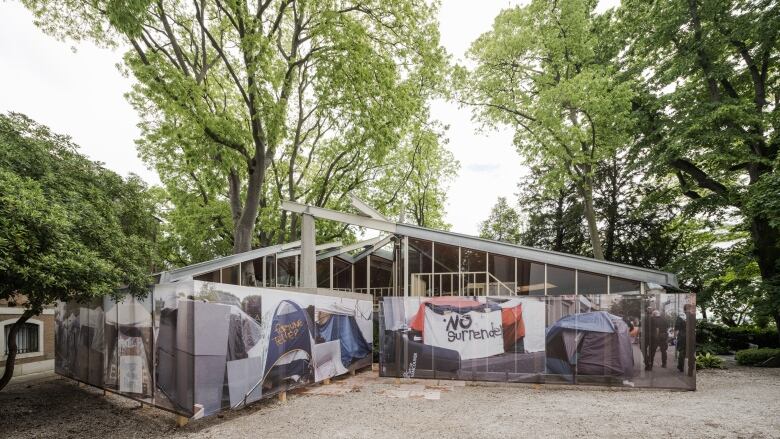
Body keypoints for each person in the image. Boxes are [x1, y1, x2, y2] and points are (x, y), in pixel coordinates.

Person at [675, 304, 694, 372]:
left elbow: (676, 327)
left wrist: (676, 336)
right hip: (691, 336)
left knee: (682, 351)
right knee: (691, 352)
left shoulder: (680, 316)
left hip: (682, 336)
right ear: (690, 308)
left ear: (684, 309)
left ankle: (681, 367)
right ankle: (691, 368)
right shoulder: (693, 316)